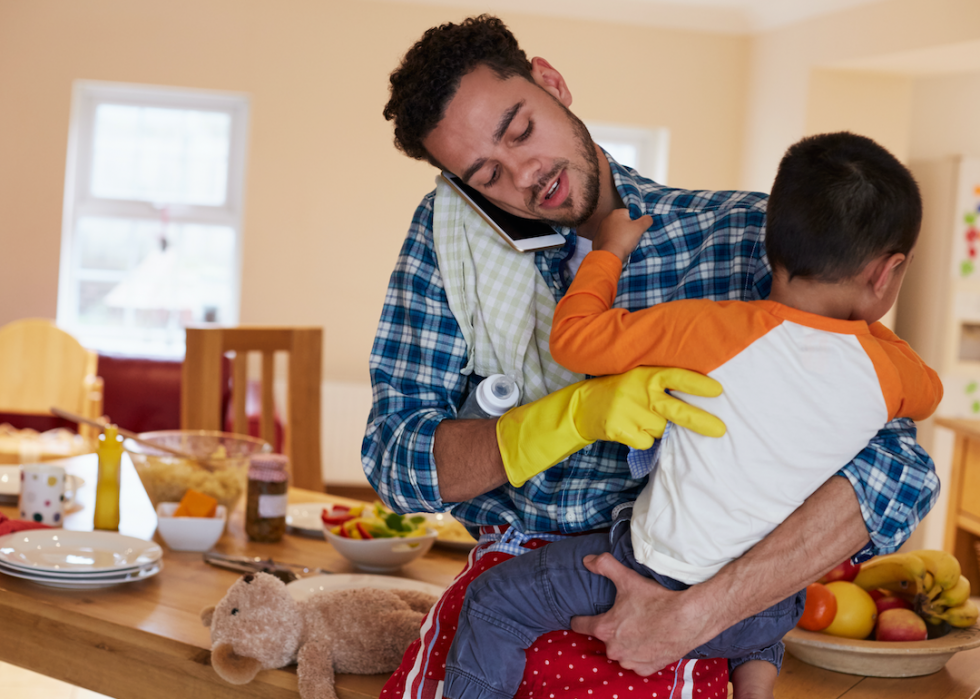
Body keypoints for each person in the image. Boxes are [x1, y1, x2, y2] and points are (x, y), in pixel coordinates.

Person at [363, 14, 939, 698]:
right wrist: (565, 418)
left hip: (690, 596)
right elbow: (395, 459)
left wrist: (695, 613)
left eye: (521, 129)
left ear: (552, 81)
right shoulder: (452, 245)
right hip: (518, 585)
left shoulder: (741, 240)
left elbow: (895, 469)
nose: (525, 173)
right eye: (486, 173)